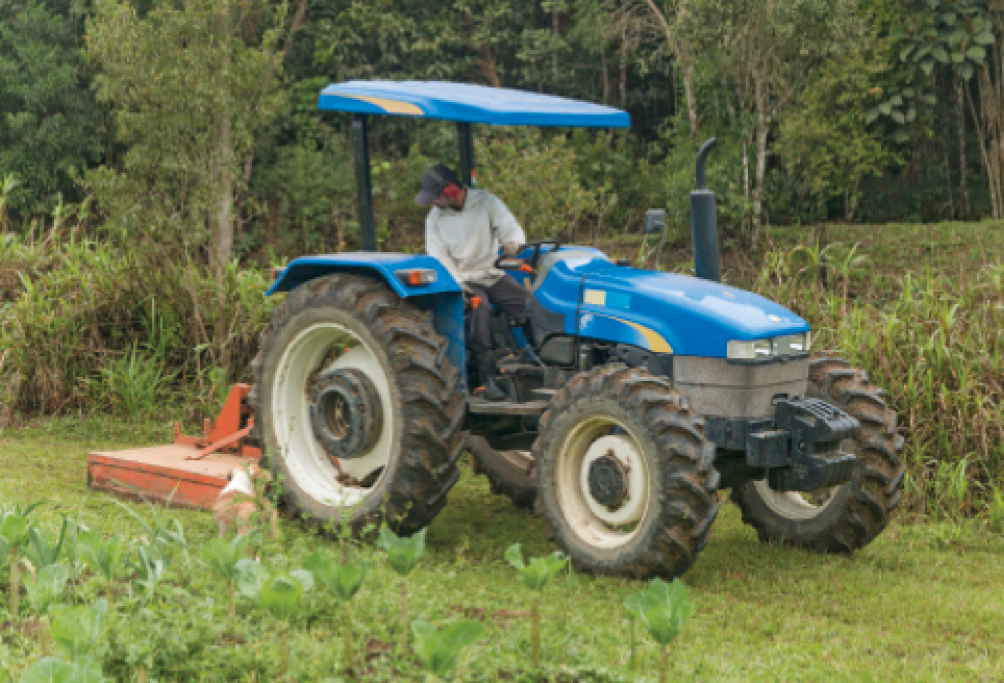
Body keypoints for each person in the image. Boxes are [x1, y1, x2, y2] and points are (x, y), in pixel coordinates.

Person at [416, 163, 527, 401]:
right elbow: (438, 258)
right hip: (462, 279)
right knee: (481, 308)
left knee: (526, 302)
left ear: (453, 190)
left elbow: (509, 227)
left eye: (436, 197)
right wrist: (457, 283)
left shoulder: (486, 202)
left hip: (490, 272)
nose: (433, 202)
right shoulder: (434, 219)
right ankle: (486, 380)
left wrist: (513, 243)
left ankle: (530, 359)